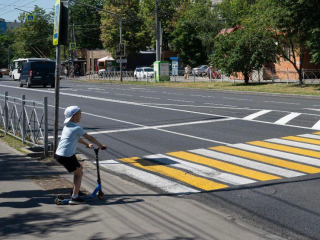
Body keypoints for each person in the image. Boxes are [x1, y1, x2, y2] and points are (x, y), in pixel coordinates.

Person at [55, 106, 106, 205]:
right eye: (80, 115)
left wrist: (87, 145)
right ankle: (74, 198)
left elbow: (77, 139)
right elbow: (90, 137)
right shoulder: (76, 127)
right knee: (78, 173)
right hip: (66, 155)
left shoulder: (68, 126)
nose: (81, 117)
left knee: (79, 169)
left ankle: (75, 191)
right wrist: (101, 145)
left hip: (61, 154)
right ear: (74, 117)